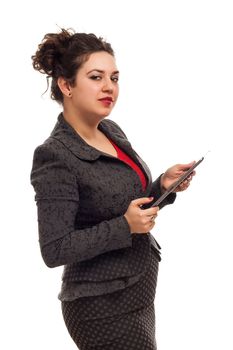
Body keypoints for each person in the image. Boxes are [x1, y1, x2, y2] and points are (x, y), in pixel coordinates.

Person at [30, 28, 195, 350]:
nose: (109, 87)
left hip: (137, 292)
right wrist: (124, 226)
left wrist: (162, 184)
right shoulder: (54, 155)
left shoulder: (110, 130)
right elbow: (55, 249)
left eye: (115, 78)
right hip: (100, 307)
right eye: (96, 77)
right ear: (66, 85)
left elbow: (120, 200)